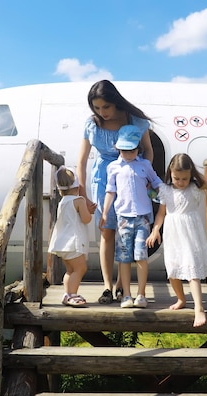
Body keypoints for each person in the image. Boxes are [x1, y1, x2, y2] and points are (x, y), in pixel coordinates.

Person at [146, 153, 207, 326]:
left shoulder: (195, 186)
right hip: (173, 233)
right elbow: (161, 214)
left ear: (191, 174)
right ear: (170, 173)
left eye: (184, 178)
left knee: (191, 270)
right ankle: (181, 299)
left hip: (190, 232)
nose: (180, 182)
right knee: (173, 270)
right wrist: (155, 230)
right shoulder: (165, 190)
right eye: (176, 178)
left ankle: (199, 308)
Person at [77, 80, 154, 304]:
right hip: (104, 179)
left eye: (106, 107)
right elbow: (81, 161)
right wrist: (83, 194)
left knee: (126, 232)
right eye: (97, 108)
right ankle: (107, 287)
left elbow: (148, 150)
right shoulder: (92, 124)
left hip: (131, 178)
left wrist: (145, 175)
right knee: (107, 231)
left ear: (116, 102)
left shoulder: (136, 121)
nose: (102, 112)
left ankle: (123, 286)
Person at [100, 125, 163, 308]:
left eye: (132, 149)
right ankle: (126, 294)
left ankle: (141, 294)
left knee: (141, 255)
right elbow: (110, 191)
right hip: (123, 218)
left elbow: (156, 181)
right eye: (124, 149)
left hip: (143, 217)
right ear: (118, 148)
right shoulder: (113, 167)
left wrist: (163, 194)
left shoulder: (144, 165)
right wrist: (105, 213)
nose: (128, 153)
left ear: (138, 148)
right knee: (124, 257)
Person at [48, 166, 93, 307]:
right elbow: (86, 219)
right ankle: (72, 295)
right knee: (80, 269)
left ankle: (67, 294)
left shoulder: (63, 202)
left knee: (70, 270)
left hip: (63, 243)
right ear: (77, 186)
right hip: (73, 243)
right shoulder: (79, 200)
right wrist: (89, 211)